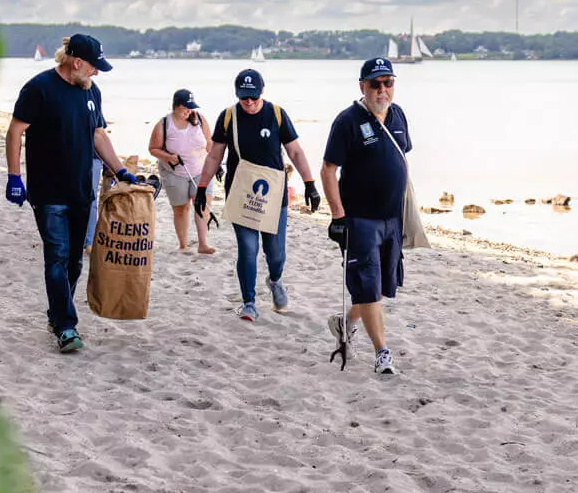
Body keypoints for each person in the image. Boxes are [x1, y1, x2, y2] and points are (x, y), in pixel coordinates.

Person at [5, 34, 144, 353]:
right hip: (48, 191)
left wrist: (119, 169)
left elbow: (97, 134)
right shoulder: (38, 88)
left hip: (82, 189)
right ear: (76, 62)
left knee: (74, 263)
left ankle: (57, 314)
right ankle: (67, 325)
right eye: (94, 67)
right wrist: (15, 177)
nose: (97, 73)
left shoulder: (91, 91)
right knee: (56, 256)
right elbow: (15, 131)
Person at [193, 69, 320, 321]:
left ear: (261, 92)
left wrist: (310, 184)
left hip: (274, 194)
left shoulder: (276, 114)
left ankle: (274, 280)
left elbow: (294, 151)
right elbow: (215, 155)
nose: (248, 102)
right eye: (243, 97)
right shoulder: (228, 117)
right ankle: (249, 302)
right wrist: (201, 188)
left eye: (253, 97)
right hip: (241, 191)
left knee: (275, 252)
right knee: (248, 249)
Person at [321, 57, 412, 376]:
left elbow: (402, 161)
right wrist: (337, 216)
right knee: (369, 287)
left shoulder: (398, 115)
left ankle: (345, 324)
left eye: (388, 83)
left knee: (384, 288)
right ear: (363, 87)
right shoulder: (347, 121)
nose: (382, 90)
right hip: (360, 220)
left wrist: (408, 207)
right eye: (375, 84)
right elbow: (328, 170)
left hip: (392, 220)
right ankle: (382, 352)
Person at [149, 88, 216, 255]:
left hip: (201, 170)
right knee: (181, 209)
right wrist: (169, 157)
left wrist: (216, 164)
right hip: (174, 173)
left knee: (202, 205)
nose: (189, 110)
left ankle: (203, 244)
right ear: (175, 106)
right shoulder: (164, 124)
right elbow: (153, 149)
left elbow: (209, 143)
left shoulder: (199, 119)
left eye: (191, 107)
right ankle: (183, 245)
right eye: (185, 107)